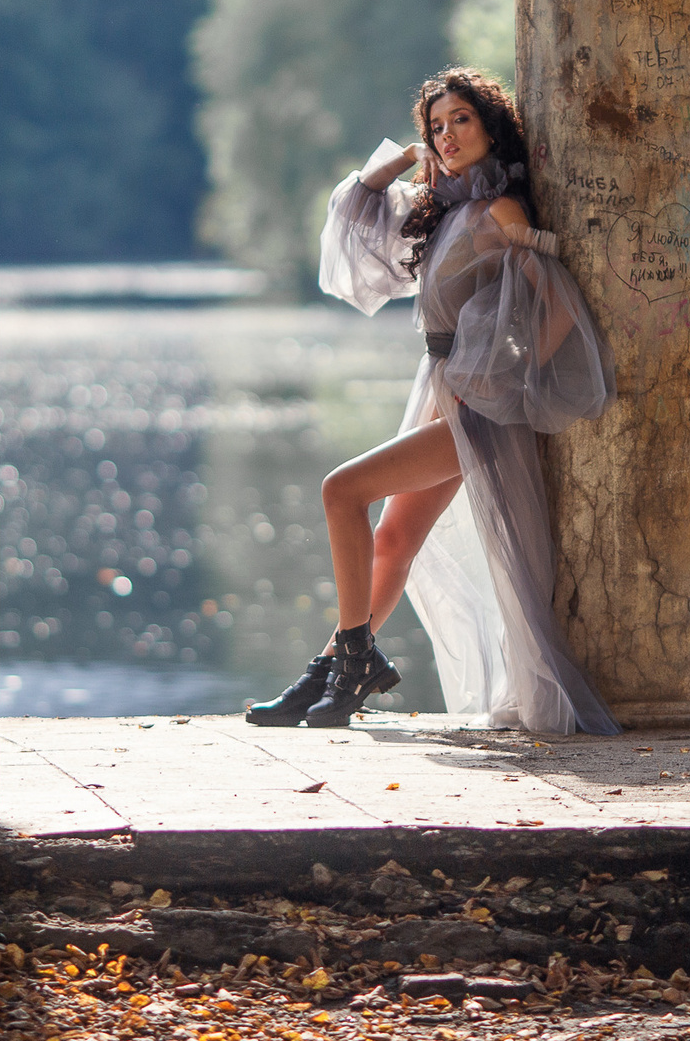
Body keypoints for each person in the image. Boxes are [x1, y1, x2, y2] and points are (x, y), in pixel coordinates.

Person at [244, 67, 622, 736]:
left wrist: (511, 377)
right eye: (437, 126)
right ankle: (329, 669)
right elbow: (353, 219)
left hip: (476, 407)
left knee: (341, 492)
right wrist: (404, 157)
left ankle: (352, 662)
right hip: (439, 388)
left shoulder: (501, 212)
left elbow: (558, 302)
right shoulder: (443, 208)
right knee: (393, 537)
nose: (447, 136)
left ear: (491, 124)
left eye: (461, 120)